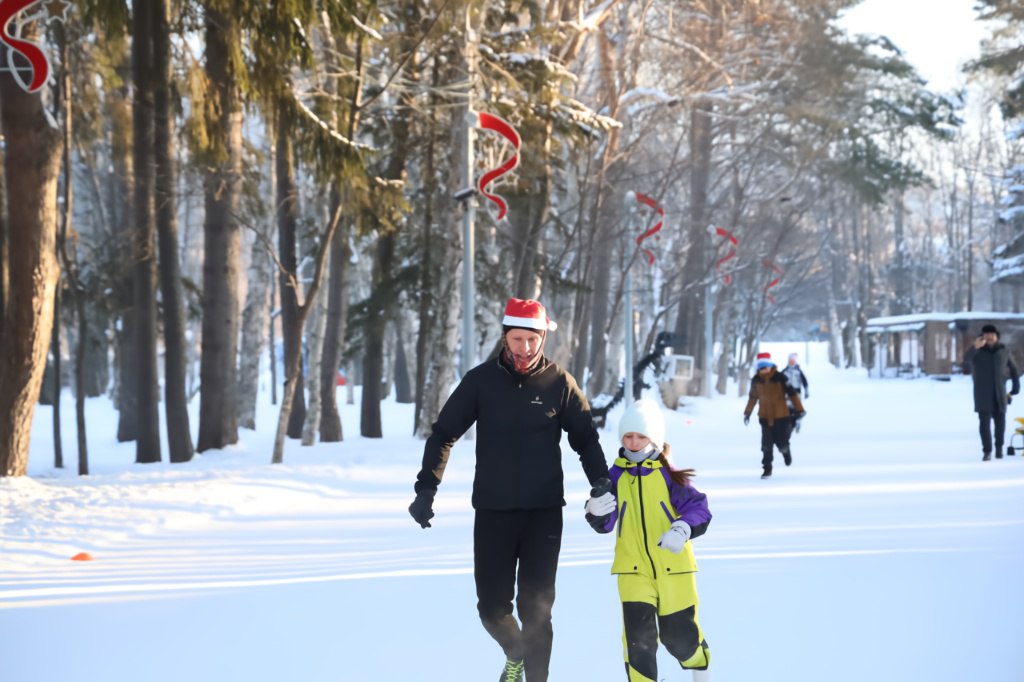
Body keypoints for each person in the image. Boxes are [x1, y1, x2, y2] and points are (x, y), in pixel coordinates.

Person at [408, 297, 611, 682]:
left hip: (543, 513)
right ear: (505, 338)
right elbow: (443, 435)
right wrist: (426, 489)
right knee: (492, 609)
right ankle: (515, 652)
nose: (526, 348)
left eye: (533, 340)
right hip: (493, 512)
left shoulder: (559, 383)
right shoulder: (480, 382)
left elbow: (585, 439)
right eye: (517, 340)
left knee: (538, 611)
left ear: (542, 339)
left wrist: (600, 482)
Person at [585, 398, 712, 682]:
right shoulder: (614, 475)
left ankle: (699, 667)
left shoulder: (668, 473)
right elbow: (606, 524)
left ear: (653, 437)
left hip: (674, 568)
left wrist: (682, 529)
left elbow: (699, 508)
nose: (633, 441)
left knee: (679, 637)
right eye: (628, 435)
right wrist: (594, 511)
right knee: (637, 642)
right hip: (632, 570)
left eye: (640, 435)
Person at [743, 352, 805, 479]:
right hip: (764, 417)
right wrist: (747, 413)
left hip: (781, 416)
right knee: (766, 445)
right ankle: (767, 469)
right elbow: (752, 398)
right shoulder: (756, 380)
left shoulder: (780, 377)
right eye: (761, 368)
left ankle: (785, 451)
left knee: (781, 443)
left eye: (766, 367)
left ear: (770, 366)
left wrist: (799, 410)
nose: (764, 370)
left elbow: (792, 394)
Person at [964, 324, 1020, 461]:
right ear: (982, 336)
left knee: (1001, 423)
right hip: (982, 393)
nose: (989, 337)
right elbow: (966, 359)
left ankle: (999, 448)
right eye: (986, 334)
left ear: (997, 336)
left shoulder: (1003, 350)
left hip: (1000, 393)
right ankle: (987, 451)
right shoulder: (977, 351)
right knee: (984, 424)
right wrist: (974, 347)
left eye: (992, 334)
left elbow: (1013, 368)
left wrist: (1016, 384)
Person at [781, 352, 809, 433]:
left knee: (797, 407)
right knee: (788, 407)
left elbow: (804, 381)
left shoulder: (798, 371)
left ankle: (797, 421)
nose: (792, 362)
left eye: (793, 361)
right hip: (787, 393)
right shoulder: (785, 371)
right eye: (790, 361)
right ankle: (789, 422)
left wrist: (806, 390)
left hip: (797, 392)